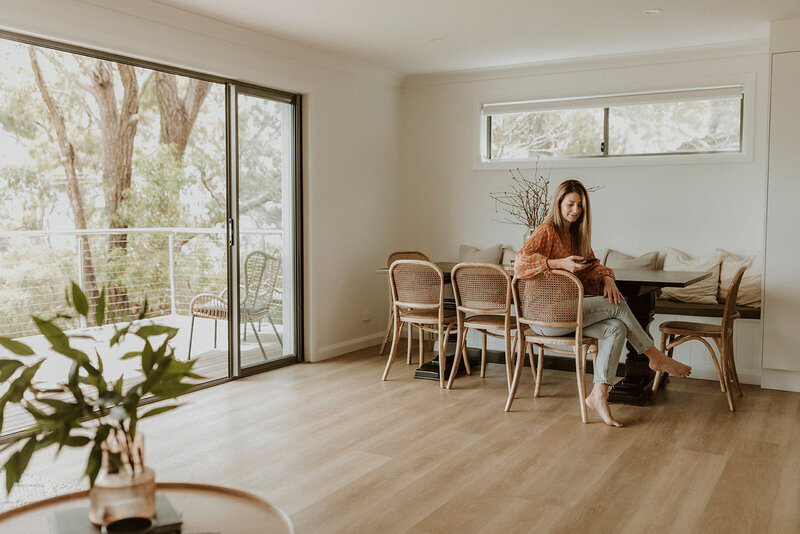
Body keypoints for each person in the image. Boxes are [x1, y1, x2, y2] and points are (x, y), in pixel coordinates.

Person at [514, 179, 691, 427]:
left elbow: (594, 266)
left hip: (566, 316)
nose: (575, 210)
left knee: (616, 327)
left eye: (580, 205)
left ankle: (598, 395)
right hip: (543, 316)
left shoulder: (576, 237)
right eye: (570, 204)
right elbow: (519, 263)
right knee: (616, 306)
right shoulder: (546, 230)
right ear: (559, 203)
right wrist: (558, 263)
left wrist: (607, 278)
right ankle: (655, 356)